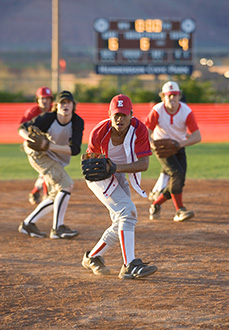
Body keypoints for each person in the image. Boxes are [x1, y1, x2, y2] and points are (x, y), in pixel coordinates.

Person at [81, 94, 158, 280]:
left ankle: (92, 257)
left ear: (131, 115)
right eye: (116, 115)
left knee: (123, 219)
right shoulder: (99, 132)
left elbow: (144, 164)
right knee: (127, 212)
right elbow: (93, 166)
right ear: (109, 114)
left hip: (119, 171)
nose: (119, 119)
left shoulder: (139, 130)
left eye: (123, 115)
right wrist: (108, 169)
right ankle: (130, 265)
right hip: (100, 177)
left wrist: (116, 168)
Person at [18, 90, 84, 239]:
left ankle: (28, 223)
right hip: (39, 155)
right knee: (66, 185)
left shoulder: (77, 122)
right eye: (62, 102)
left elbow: (75, 149)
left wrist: (48, 145)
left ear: (74, 105)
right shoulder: (49, 117)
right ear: (56, 106)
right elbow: (21, 128)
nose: (65, 105)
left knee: (57, 195)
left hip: (51, 154)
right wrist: (31, 139)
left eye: (68, 102)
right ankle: (57, 228)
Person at [145, 81, 201, 222]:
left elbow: (197, 136)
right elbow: (147, 132)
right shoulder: (157, 110)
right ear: (163, 97)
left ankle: (156, 204)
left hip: (179, 147)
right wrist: (152, 146)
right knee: (176, 174)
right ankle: (179, 210)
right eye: (168, 95)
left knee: (179, 180)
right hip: (162, 149)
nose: (172, 98)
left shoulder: (186, 111)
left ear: (179, 96)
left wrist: (180, 144)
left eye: (175, 95)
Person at [18, 87, 53, 205]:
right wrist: (31, 139)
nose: (45, 101)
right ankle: (46, 194)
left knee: (46, 169)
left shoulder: (54, 110)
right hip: (33, 144)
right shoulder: (32, 112)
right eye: (42, 98)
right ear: (37, 100)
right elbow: (22, 127)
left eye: (47, 98)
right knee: (45, 168)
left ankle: (35, 191)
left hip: (49, 143)